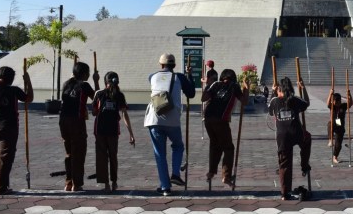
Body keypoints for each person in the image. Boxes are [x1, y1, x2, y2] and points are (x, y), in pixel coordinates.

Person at [144, 53, 195, 196]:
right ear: (174, 65)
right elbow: (191, 93)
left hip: (154, 118)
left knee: (159, 153)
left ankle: (165, 187)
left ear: (161, 65)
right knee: (178, 146)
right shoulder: (179, 77)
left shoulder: (152, 76)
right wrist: (189, 75)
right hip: (172, 119)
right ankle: (175, 173)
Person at [0, 66, 33, 195]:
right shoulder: (13, 91)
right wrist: (28, 81)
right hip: (8, 127)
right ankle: (1, 187)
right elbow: (29, 98)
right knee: (6, 156)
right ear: (11, 79)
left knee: (1, 155)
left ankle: (3, 184)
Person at [201, 69, 249, 186]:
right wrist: (246, 88)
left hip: (208, 118)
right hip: (221, 120)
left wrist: (208, 85)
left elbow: (203, 98)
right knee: (228, 148)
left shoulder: (215, 84)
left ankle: (211, 172)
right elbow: (244, 101)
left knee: (215, 144)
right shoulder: (234, 86)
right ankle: (226, 176)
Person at [268, 77, 311, 200]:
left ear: (279, 89)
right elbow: (306, 103)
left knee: (284, 164)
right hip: (296, 132)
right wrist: (303, 89)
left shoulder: (275, 100)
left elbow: (270, 111)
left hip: (282, 136)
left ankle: (284, 193)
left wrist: (272, 91)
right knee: (307, 139)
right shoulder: (294, 99)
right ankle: (304, 165)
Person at [92, 71, 135, 193]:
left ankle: (108, 183)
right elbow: (124, 113)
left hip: (103, 130)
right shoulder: (115, 95)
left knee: (104, 157)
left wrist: (131, 133)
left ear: (106, 82)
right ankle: (112, 182)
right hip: (107, 130)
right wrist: (131, 134)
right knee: (111, 156)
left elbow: (94, 112)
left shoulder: (104, 94)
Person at [59, 62, 100, 192]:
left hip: (63, 120)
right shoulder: (84, 85)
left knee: (69, 152)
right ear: (84, 74)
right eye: (87, 73)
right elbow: (97, 99)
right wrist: (96, 81)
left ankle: (68, 182)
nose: (88, 75)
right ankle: (77, 184)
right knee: (79, 152)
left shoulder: (66, 84)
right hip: (76, 121)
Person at [326, 88, 352, 165]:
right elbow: (327, 104)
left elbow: (350, 103)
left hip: (340, 124)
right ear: (333, 101)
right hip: (333, 122)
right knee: (330, 124)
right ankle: (330, 140)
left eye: (339, 101)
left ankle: (335, 157)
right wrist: (330, 93)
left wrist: (349, 94)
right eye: (336, 102)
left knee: (338, 144)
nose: (338, 103)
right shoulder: (332, 106)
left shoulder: (343, 106)